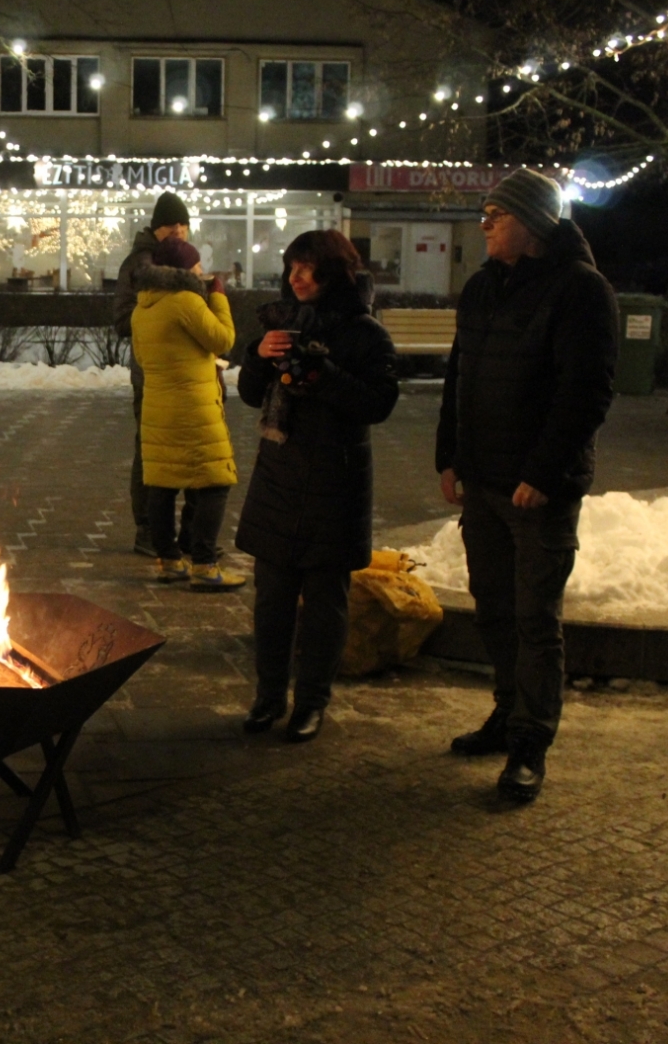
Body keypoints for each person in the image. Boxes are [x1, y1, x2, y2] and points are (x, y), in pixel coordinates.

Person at [435, 168, 618, 804]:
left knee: (535, 618)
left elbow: (586, 391)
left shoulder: (580, 291)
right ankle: (506, 710)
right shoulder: (484, 287)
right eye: (484, 213)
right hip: (484, 480)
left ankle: (529, 743)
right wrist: (449, 456)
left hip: (536, 490)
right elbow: (460, 375)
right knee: (493, 607)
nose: (484, 224)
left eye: (496, 214)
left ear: (535, 225)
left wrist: (541, 474)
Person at [236, 231, 398, 742]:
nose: (295, 278)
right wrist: (260, 355)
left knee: (326, 602)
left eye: (306, 269)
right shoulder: (279, 323)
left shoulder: (365, 333)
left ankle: (311, 703)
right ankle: (267, 697)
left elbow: (379, 403)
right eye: (291, 268)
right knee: (273, 598)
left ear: (333, 272)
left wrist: (323, 376)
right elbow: (247, 393)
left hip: (336, 480)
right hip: (280, 476)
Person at [129, 235, 243, 592]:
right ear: (183, 271)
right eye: (197, 267)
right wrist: (219, 297)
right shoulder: (185, 302)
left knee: (162, 484)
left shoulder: (142, 307)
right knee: (215, 482)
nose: (203, 272)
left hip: (158, 406)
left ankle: (168, 561)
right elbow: (222, 339)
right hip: (193, 408)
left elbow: (144, 360)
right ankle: (205, 564)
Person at [115, 192, 193, 558]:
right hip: (151, 369)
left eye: (182, 225)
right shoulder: (140, 263)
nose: (177, 231)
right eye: (169, 225)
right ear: (155, 228)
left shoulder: (180, 260)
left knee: (187, 445)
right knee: (149, 446)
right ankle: (147, 528)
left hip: (184, 369)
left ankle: (185, 535)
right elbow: (122, 320)